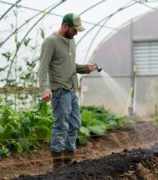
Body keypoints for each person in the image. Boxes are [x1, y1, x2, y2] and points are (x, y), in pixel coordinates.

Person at [38, 13, 97, 169]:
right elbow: (43, 68)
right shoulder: (50, 42)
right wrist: (45, 88)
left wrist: (85, 68)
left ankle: (69, 159)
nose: (76, 33)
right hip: (59, 91)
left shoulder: (71, 41)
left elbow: (70, 65)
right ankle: (57, 164)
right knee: (61, 126)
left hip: (71, 91)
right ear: (65, 26)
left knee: (75, 124)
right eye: (74, 29)